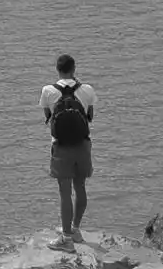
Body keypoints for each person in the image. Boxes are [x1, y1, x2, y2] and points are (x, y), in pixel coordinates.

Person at [40, 54, 98, 244]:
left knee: (65, 191)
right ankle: (76, 229)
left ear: (57, 69)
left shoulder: (48, 91)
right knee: (80, 187)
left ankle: (65, 238)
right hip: (82, 145)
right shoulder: (87, 89)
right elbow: (90, 117)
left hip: (61, 147)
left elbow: (48, 117)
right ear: (74, 69)